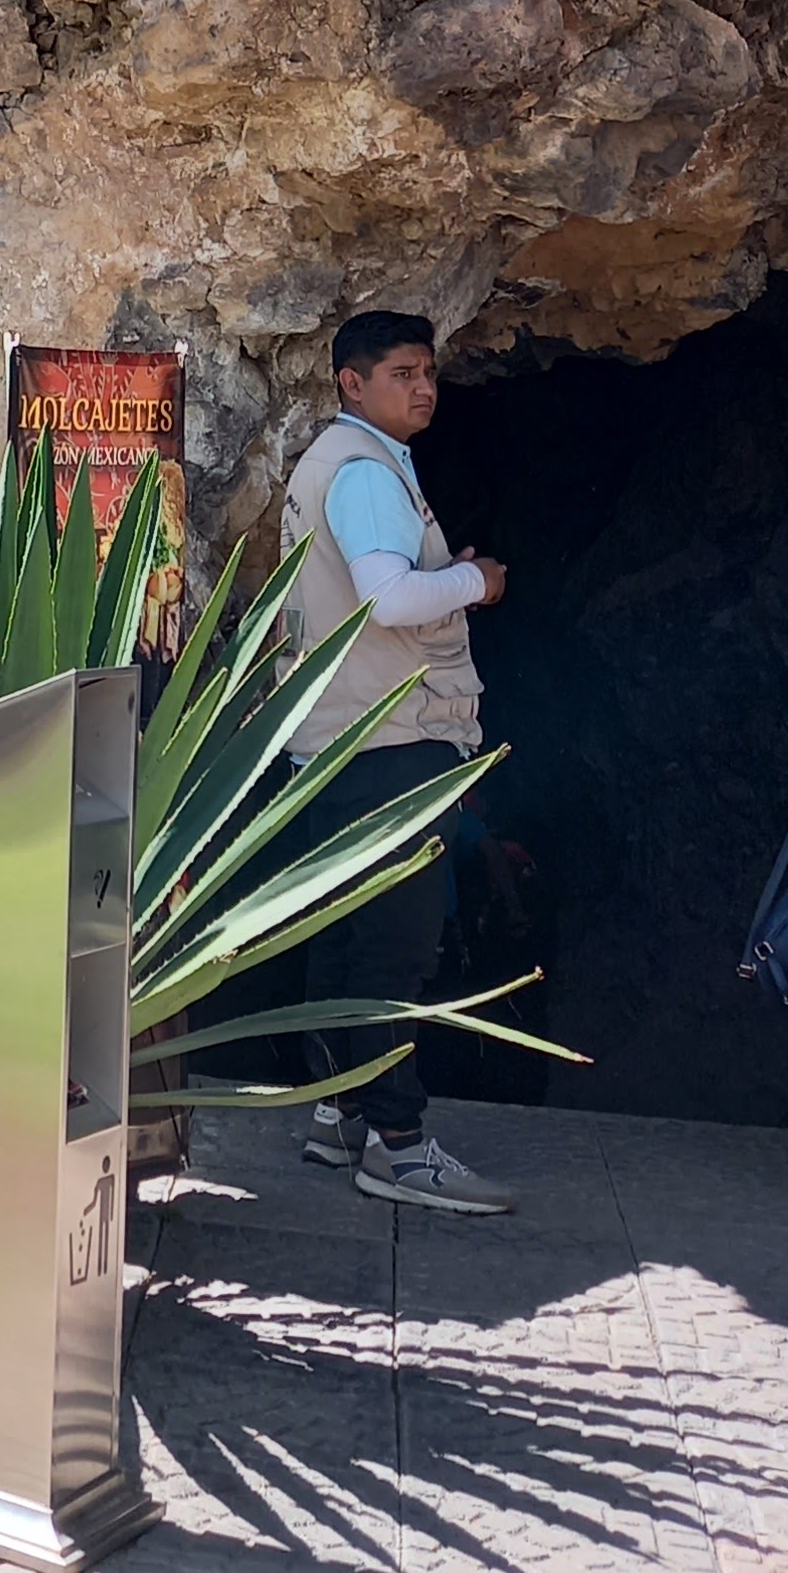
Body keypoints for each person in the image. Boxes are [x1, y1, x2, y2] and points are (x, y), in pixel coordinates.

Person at [278, 310, 517, 1215]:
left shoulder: (337, 465)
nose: (424, 389)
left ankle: (337, 1115)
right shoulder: (365, 472)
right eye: (402, 373)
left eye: (428, 372)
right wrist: (478, 582)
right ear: (352, 382)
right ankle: (400, 1147)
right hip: (389, 742)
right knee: (395, 948)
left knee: (344, 938)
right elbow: (386, 597)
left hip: (336, 740)